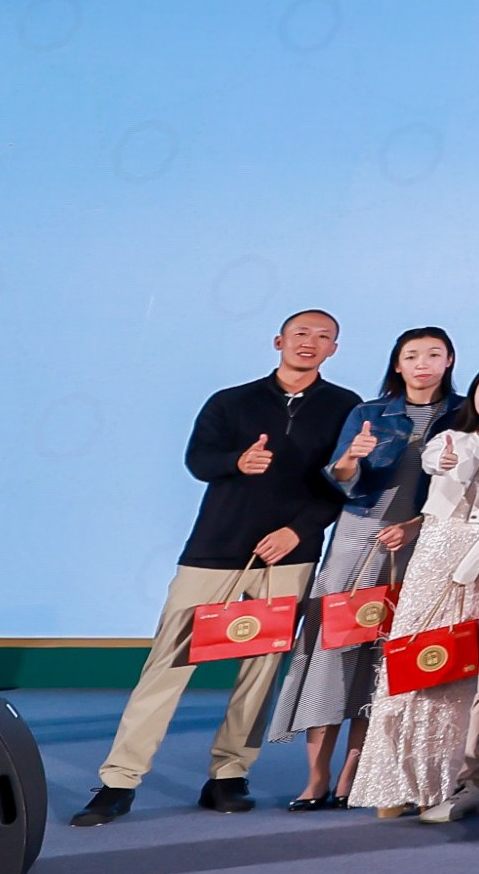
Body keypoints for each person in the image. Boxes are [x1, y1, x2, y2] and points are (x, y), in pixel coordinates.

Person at [78, 308, 370, 824]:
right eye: (300, 333)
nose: (309, 342)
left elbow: (342, 483)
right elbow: (198, 460)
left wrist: (298, 531)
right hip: (214, 549)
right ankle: (119, 780)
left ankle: (229, 774)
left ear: (334, 350)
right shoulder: (231, 401)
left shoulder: (346, 406)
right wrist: (237, 461)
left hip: (289, 554)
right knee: (168, 663)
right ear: (278, 341)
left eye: (323, 336)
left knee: (260, 670)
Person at [348, 355, 479, 822]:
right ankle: (392, 782)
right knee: (411, 660)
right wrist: (444, 461)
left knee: (463, 670)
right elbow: (436, 461)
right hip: (435, 554)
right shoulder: (451, 438)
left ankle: (448, 783)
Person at [281, 323, 449, 809]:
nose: (422, 364)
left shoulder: (461, 415)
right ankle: (316, 777)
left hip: (420, 542)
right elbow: (341, 478)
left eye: (433, 354)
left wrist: (415, 527)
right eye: (412, 355)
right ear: (398, 364)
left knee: (383, 661)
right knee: (330, 652)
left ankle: (352, 775)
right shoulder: (368, 412)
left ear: (448, 362)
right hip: (357, 537)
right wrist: (351, 459)